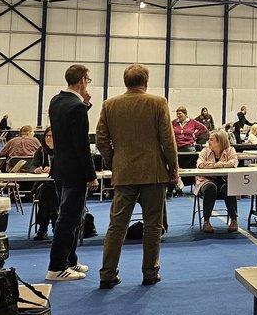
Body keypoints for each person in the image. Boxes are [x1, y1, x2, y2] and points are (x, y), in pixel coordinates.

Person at [97, 64, 177, 288]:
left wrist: (114, 160)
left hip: (124, 173)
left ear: (125, 82)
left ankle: (107, 274)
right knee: (153, 225)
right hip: (154, 172)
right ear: (146, 82)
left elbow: (101, 139)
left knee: (117, 225)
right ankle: (150, 273)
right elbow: (167, 140)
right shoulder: (157, 102)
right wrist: (174, 167)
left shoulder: (109, 105)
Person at [46, 64, 96, 282]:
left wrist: (84, 105)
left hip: (60, 168)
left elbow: (67, 127)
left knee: (72, 218)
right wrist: (91, 174)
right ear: (83, 80)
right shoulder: (75, 107)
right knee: (69, 219)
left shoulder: (56, 101)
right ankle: (56, 266)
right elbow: (81, 144)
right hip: (75, 171)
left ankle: (70, 260)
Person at [197, 130, 239, 233]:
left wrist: (220, 164)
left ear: (219, 141)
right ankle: (206, 220)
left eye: (211, 139)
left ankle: (234, 219)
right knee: (210, 187)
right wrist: (208, 165)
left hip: (225, 181)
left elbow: (234, 162)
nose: (208, 141)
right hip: (207, 180)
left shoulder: (230, 150)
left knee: (228, 188)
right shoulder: (205, 151)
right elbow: (199, 163)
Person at [30, 127, 58, 241]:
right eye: (47, 136)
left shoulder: (63, 152)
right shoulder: (40, 151)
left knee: (49, 191)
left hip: (60, 187)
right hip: (42, 185)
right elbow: (32, 166)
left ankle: (43, 228)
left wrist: (53, 169)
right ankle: (56, 225)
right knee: (48, 189)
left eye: (52, 136)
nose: (49, 138)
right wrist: (36, 169)